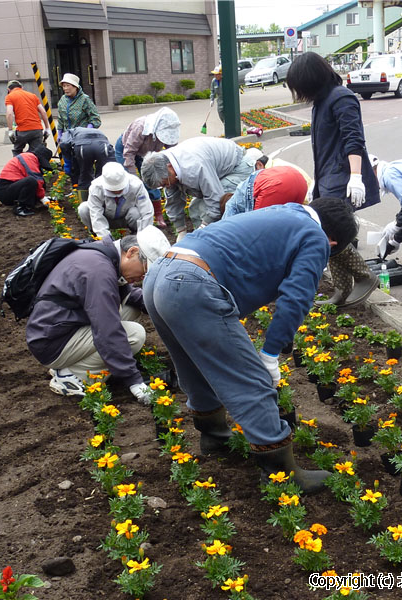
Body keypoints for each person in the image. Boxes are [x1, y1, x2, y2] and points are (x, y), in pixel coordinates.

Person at [141, 198, 358, 493]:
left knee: (194, 366)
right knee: (252, 381)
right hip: (190, 283)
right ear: (332, 243)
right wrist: (269, 355)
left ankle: (214, 437)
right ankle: (280, 471)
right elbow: (296, 298)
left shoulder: (283, 210)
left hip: (160, 274)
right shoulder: (314, 236)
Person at [26, 226, 170, 402]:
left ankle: (75, 364)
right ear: (132, 252)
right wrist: (134, 381)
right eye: (145, 269)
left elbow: (130, 294)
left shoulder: (103, 256)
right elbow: (107, 331)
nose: (143, 277)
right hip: (51, 342)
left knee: (131, 309)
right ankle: (72, 375)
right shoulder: (99, 271)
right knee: (134, 335)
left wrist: (165, 309)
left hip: (58, 326)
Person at [286, 51, 380, 309]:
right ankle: (342, 288)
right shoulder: (321, 101)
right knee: (329, 232)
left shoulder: (342, 98)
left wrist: (357, 177)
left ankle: (364, 276)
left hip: (343, 178)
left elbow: (354, 139)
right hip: (328, 178)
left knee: (329, 231)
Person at [140, 137, 261, 238]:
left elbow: (215, 200)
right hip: (218, 172)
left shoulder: (194, 166)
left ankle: (220, 241)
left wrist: (203, 229)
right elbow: (173, 200)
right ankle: (204, 241)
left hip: (238, 167)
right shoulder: (166, 168)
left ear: (170, 167)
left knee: (206, 208)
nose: (166, 186)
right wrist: (181, 231)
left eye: (165, 183)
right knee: (194, 208)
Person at [78, 162, 154, 239]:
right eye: (113, 189)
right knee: (84, 209)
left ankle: (135, 235)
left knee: (136, 213)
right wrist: (107, 241)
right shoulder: (96, 187)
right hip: (106, 218)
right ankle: (96, 236)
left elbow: (146, 211)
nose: (117, 191)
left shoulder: (136, 184)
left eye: (120, 188)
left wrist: (144, 237)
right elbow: (96, 215)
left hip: (127, 218)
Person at [56, 73, 101, 183]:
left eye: (68, 86)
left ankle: (86, 187)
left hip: (82, 137)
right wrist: (60, 133)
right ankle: (75, 186)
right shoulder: (62, 100)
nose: (65, 89)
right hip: (68, 136)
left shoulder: (85, 100)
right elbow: (61, 118)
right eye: (64, 86)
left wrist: (87, 130)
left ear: (75, 86)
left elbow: (95, 119)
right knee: (70, 163)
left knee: (82, 165)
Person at [220, 165, 308, 219]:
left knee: (260, 229)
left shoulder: (230, 206)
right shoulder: (242, 191)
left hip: (274, 186)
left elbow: (225, 233)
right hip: (299, 180)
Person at [115, 108, 180, 176]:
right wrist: (133, 177)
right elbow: (129, 153)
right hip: (125, 149)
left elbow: (173, 152)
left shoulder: (169, 133)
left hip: (142, 152)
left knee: (149, 176)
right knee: (129, 177)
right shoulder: (140, 128)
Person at [0, 146, 53, 216]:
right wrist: (42, 198)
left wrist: (42, 197)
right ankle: (21, 207)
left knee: (36, 181)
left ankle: (32, 202)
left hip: (12, 187)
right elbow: (35, 178)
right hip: (5, 191)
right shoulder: (29, 158)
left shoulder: (29, 157)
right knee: (31, 181)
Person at [5, 80, 51, 155]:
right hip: (37, 130)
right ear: (22, 88)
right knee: (36, 154)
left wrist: (10, 130)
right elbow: (43, 112)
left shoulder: (9, 97)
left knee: (17, 152)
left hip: (22, 130)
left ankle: (20, 165)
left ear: (8, 90)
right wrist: (47, 128)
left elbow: (9, 114)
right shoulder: (33, 96)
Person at [64, 127, 115, 194]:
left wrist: (68, 163)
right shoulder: (95, 131)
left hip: (83, 147)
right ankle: (105, 195)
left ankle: (84, 198)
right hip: (103, 146)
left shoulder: (68, 132)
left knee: (85, 174)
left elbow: (64, 144)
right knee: (105, 172)